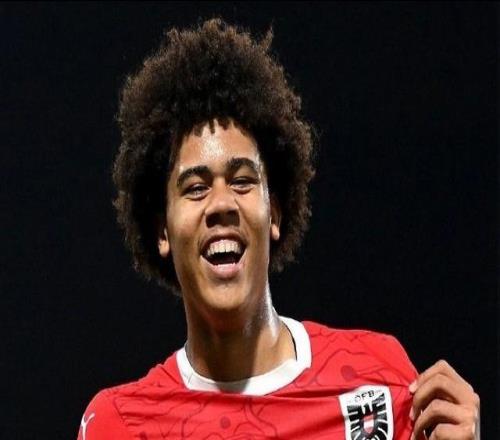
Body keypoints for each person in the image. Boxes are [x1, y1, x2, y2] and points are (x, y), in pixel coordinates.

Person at [78, 19, 480, 440]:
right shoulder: (120, 424)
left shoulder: (379, 375)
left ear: (275, 214)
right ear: (162, 230)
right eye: (195, 188)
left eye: (242, 181)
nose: (221, 204)